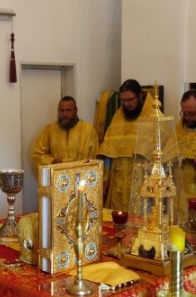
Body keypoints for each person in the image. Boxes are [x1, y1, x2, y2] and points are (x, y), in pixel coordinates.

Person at [97, 79, 156, 211]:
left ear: (139, 96)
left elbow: (161, 152)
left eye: (130, 99)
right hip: (118, 180)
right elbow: (108, 151)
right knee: (118, 216)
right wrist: (105, 178)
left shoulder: (153, 116)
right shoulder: (117, 118)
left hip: (142, 179)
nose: (127, 104)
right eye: (123, 100)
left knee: (140, 216)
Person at [31, 96, 99, 169]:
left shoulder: (88, 129)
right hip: (58, 174)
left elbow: (95, 158)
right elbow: (37, 154)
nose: (65, 114)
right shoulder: (50, 129)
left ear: (75, 110)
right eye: (62, 110)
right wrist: (52, 161)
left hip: (81, 174)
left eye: (68, 110)